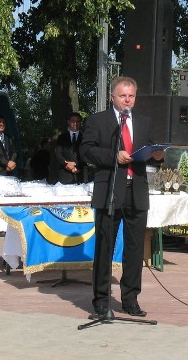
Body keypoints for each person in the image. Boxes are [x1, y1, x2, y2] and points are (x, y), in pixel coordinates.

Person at [79, 76, 164, 319]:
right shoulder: (99, 120)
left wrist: (157, 155)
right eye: (123, 96)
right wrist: (113, 156)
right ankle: (101, 301)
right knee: (105, 246)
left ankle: (130, 299)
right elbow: (86, 150)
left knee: (135, 248)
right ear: (112, 97)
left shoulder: (143, 122)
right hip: (110, 191)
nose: (128, 100)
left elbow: (148, 149)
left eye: (131, 96)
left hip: (136, 191)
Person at [54, 112, 88, 184]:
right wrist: (66, 164)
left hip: (81, 175)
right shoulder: (61, 137)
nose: (75, 123)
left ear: (81, 123)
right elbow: (58, 154)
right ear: (68, 122)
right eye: (73, 121)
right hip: (65, 175)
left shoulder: (85, 137)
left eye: (78, 121)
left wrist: (78, 167)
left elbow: (87, 153)